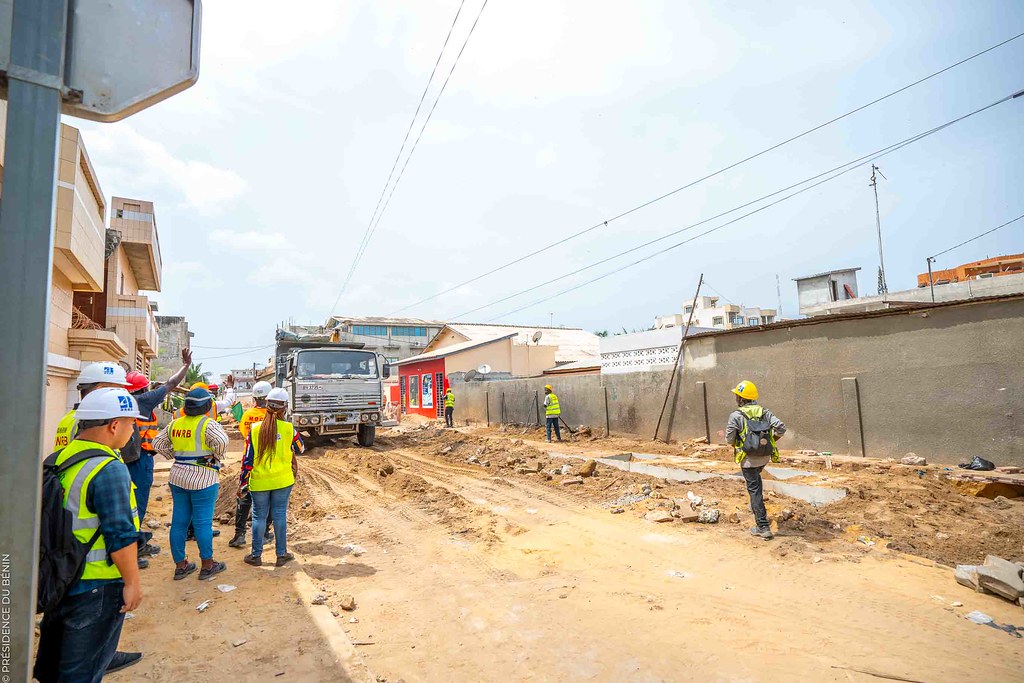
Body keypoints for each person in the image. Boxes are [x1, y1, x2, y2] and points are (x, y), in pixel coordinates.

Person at [34, 388, 145, 681]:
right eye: (131, 423)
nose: (132, 429)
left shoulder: (58, 458)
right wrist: (132, 583)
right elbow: (120, 535)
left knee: (56, 667)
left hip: (60, 576)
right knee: (82, 673)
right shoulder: (109, 469)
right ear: (113, 425)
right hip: (97, 585)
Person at [122, 349, 192, 564]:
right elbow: (170, 384)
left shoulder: (122, 400)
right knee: (138, 504)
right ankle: (134, 550)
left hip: (123, 459)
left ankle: (133, 543)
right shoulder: (144, 401)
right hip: (141, 459)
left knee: (126, 503)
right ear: (143, 388)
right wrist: (186, 365)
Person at [152, 387, 228, 580]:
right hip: (204, 478)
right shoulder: (208, 425)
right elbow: (221, 442)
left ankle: (181, 565)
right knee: (203, 523)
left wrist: (174, 456)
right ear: (207, 406)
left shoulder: (174, 424)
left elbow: (157, 444)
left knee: (179, 522)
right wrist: (215, 457)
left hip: (177, 476)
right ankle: (208, 565)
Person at [241, 388, 304, 568]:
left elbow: (247, 459)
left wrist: (243, 482)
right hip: (283, 481)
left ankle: (256, 555)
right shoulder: (289, 429)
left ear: (266, 405)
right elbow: (301, 447)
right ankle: (281, 554)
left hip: (260, 481)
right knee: (279, 516)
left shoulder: (254, 429)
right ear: (285, 408)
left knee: (259, 517)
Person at [725, 380, 787, 540]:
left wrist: (742, 444)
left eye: (737, 396)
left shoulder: (736, 416)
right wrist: (771, 440)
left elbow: (729, 439)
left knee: (755, 490)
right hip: (765, 456)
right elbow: (781, 428)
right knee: (756, 483)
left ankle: (762, 526)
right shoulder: (765, 412)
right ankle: (756, 507)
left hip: (748, 459)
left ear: (740, 398)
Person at [228, 380, 275, 548]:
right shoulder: (273, 416)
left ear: (255, 397)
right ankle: (264, 533)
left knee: (245, 497)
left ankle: (239, 534)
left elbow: (244, 433)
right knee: (269, 498)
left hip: (249, 460)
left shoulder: (247, 415)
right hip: (268, 461)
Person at [52, 362, 133, 451]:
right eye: (118, 389)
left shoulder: (70, 418)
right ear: (100, 390)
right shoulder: (92, 421)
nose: (123, 393)